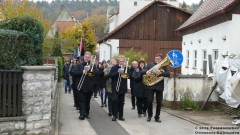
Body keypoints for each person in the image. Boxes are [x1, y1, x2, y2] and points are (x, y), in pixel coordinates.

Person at [70, 52, 102, 120]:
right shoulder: (79, 65)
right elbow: (72, 73)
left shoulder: (93, 66)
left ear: (90, 58)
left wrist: (91, 69)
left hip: (89, 86)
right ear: (84, 57)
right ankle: (82, 114)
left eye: (88, 57)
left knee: (87, 101)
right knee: (82, 101)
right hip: (81, 86)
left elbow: (98, 73)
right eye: (86, 57)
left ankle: (87, 113)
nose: (87, 58)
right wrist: (82, 72)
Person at [144, 53, 170, 122]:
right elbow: (143, 70)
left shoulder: (164, 66)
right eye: (156, 58)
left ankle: (157, 117)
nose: (157, 60)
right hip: (151, 85)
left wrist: (161, 73)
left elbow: (168, 74)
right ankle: (149, 115)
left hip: (159, 86)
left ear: (161, 59)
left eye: (158, 59)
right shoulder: (150, 64)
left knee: (159, 102)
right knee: (149, 101)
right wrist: (146, 72)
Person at [109, 55, 129, 121]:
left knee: (121, 102)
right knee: (115, 100)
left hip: (122, 87)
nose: (121, 62)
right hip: (115, 87)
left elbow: (129, 76)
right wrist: (118, 72)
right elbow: (111, 75)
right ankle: (115, 115)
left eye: (123, 61)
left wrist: (126, 72)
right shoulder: (114, 67)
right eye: (120, 61)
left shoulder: (126, 68)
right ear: (118, 61)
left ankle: (121, 116)